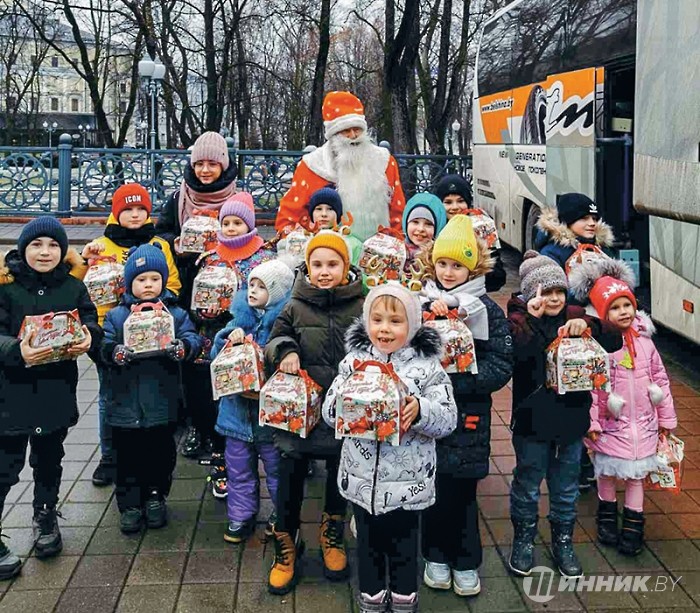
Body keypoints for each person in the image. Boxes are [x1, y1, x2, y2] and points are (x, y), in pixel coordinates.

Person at [323, 283, 457, 613]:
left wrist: (420, 410)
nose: (385, 328)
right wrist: (345, 404)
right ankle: (371, 596)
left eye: (395, 321)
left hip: (407, 485)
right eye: (377, 319)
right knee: (367, 545)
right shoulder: (354, 362)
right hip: (361, 479)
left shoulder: (427, 367)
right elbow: (328, 412)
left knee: (404, 548)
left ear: (412, 325)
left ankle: (403, 598)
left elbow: (448, 418)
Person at [506, 251, 622, 578]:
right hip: (530, 424)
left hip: (572, 424)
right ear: (530, 294)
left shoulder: (575, 315)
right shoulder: (517, 320)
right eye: (545, 292)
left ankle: (563, 540)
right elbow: (516, 353)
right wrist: (529, 318)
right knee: (528, 484)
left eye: (558, 291)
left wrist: (587, 323)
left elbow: (614, 337)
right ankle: (524, 538)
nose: (553, 299)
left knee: (566, 487)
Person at [264, 230, 364, 595]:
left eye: (332, 264)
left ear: (346, 266)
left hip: (344, 412)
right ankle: (286, 540)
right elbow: (275, 338)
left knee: (340, 471)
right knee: (290, 472)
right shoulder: (294, 304)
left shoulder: (360, 304)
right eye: (317, 264)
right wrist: (285, 350)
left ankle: (332, 530)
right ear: (307, 267)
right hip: (299, 411)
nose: (324, 271)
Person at [0, 218, 101, 576]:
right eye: (37, 245)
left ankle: (45, 517)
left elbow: (89, 321)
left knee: (49, 460)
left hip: (56, 392)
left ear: (63, 251)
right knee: (5, 467)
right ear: (23, 248)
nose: (45, 252)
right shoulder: (5, 287)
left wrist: (90, 338)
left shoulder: (73, 286)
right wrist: (16, 351)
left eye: (53, 246)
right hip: (10, 395)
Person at [419, 215, 513, 597]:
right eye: (443, 263)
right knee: (432, 488)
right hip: (428, 417)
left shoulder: (484, 309)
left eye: (457, 265)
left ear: (473, 267)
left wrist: (463, 380)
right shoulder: (422, 303)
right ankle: (435, 556)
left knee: (463, 493)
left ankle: (466, 560)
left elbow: (501, 362)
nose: (449, 271)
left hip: (468, 415)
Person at [570, 260, 677, 556]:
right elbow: (592, 388)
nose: (624, 312)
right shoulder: (600, 346)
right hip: (611, 424)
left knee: (635, 477)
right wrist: (591, 423)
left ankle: (633, 524)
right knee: (605, 473)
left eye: (627, 305)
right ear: (603, 314)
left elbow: (660, 379)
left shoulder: (646, 343)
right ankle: (606, 517)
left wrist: (666, 418)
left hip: (643, 423)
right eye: (615, 308)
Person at [79, 183, 181, 487]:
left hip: (153, 336)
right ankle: (108, 456)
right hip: (108, 331)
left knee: (149, 392)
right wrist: (84, 261)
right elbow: (81, 289)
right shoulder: (100, 245)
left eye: (141, 209)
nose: (135, 215)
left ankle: (144, 452)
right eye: (128, 209)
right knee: (109, 393)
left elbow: (173, 285)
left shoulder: (159, 245)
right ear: (116, 212)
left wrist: (154, 307)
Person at [101, 244, 202, 534]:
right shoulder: (117, 316)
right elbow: (104, 345)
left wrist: (182, 348)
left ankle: (156, 496)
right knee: (126, 457)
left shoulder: (176, 313)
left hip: (162, 401)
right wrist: (115, 352)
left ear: (163, 281)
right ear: (130, 282)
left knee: (160, 454)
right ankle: (130, 504)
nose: (148, 285)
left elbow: (192, 339)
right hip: (124, 403)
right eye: (141, 279)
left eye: (155, 279)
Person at [155, 131, 237, 458]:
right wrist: (175, 246)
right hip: (187, 288)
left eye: (212, 164)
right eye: (199, 163)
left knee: (220, 357)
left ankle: (221, 425)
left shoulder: (235, 198)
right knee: (189, 358)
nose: (205, 170)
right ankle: (195, 423)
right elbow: (161, 233)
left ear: (223, 165)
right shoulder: (179, 198)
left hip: (227, 293)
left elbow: (247, 236)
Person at [190, 193, 276, 498]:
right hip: (214, 335)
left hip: (251, 336)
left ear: (249, 225)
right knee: (214, 397)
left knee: (246, 395)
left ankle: (256, 453)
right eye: (226, 222)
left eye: (237, 222)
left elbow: (273, 294)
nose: (230, 228)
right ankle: (220, 456)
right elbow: (198, 295)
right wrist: (204, 310)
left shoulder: (264, 258)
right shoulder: (210, 256)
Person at [535, 192, 616, 489]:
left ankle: (595, 454)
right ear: (568, 221)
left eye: (594, 218)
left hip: (595, 328)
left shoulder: (600, 250)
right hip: (567, 331)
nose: (591, 223)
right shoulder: (555, 252)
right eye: (584, 218)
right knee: (576, 390)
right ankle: (578, 460)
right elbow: (551, 291)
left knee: (598, 393)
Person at [211, 259, 295, 543]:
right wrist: (226, 339)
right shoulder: (238, 321)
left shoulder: (282, 327)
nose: (253, 291)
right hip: (235, 415)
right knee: (238, 469)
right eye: (251, 285)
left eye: (262, 287)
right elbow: (215, 359)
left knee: (275, 469)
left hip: (268, 418)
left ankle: (280, 514)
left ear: (279, 292)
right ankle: (241, 515)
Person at [275, 91, 406, 241]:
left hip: (377, 252)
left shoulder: (384, 161)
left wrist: (396, 245)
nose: (353, 136)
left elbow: (397, 211)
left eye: (357, 129)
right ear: (333, 135)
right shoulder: (312, 165)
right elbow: (290, 217)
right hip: (326, 253)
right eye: (345, 130)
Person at [434, 174, 506, 292]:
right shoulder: (433, 228)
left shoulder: (483, 226)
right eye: (448, 202)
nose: (455, 207)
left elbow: (498, 277)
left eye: (460, 201)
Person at [401, 192, 446, 271]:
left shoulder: (441, 257)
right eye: (415, 222)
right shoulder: (396, 251)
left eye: (428, 224)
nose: (421, 229)